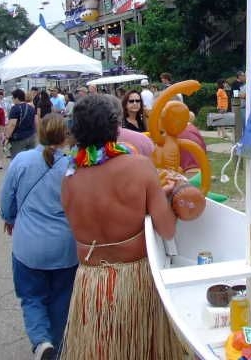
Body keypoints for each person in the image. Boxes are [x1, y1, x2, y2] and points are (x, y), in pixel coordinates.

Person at [59, 94, 185, 359]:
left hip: (89, 283)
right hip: (134, 281)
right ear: (114, 127)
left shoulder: (70, 176)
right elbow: (167, 230)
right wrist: (165, 197)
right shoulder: (139, 167)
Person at [0, 114, 78, 360]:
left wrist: (10, 218)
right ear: (65, 136)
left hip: (28, 244)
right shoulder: (72, 166)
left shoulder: (22, 160)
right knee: (61, 299)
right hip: (65, 244)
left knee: (31, 296)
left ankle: (41, 340)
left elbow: (7, 198)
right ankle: (55, 343)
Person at [6, 89, 37, 161]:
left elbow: (12, 124)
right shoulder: (31, 108)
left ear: (16, 98)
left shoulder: (15, 108)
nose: (12, 100)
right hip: (31, 136)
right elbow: (36, 122)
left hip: (18, 139)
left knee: (17, 160)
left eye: (13, 98)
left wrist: (7, 137)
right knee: (30, 159)